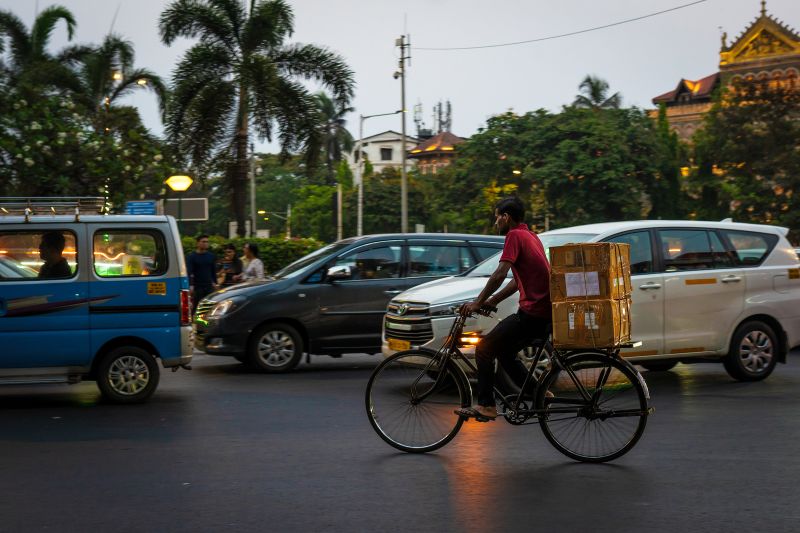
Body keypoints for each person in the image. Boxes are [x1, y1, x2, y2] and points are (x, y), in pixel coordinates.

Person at [455, 197, 553, 422]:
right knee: (505, 352)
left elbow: (500, 274)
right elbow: (518, 280)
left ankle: (486, 406)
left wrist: (478, 302)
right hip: (542, 313)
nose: (495, 222)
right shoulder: (531, 236)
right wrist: (495, 300)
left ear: (506, 217)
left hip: (533, 313)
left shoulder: (514, 236)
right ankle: (540, 393)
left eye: (497, 217)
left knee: (484, 349)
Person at [186, 234, 218, 313]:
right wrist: (191, 285)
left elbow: (213, 271)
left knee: (209, 307)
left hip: (209, 286)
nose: (206, 243)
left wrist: (215, 283)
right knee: (197, 307)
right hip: (197, 287)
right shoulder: (191, 256)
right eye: (203, 242)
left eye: (207, 242)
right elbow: (189, 272)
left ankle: (206, 324)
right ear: (198, 243)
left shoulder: (211, 256)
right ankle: (196, 324)